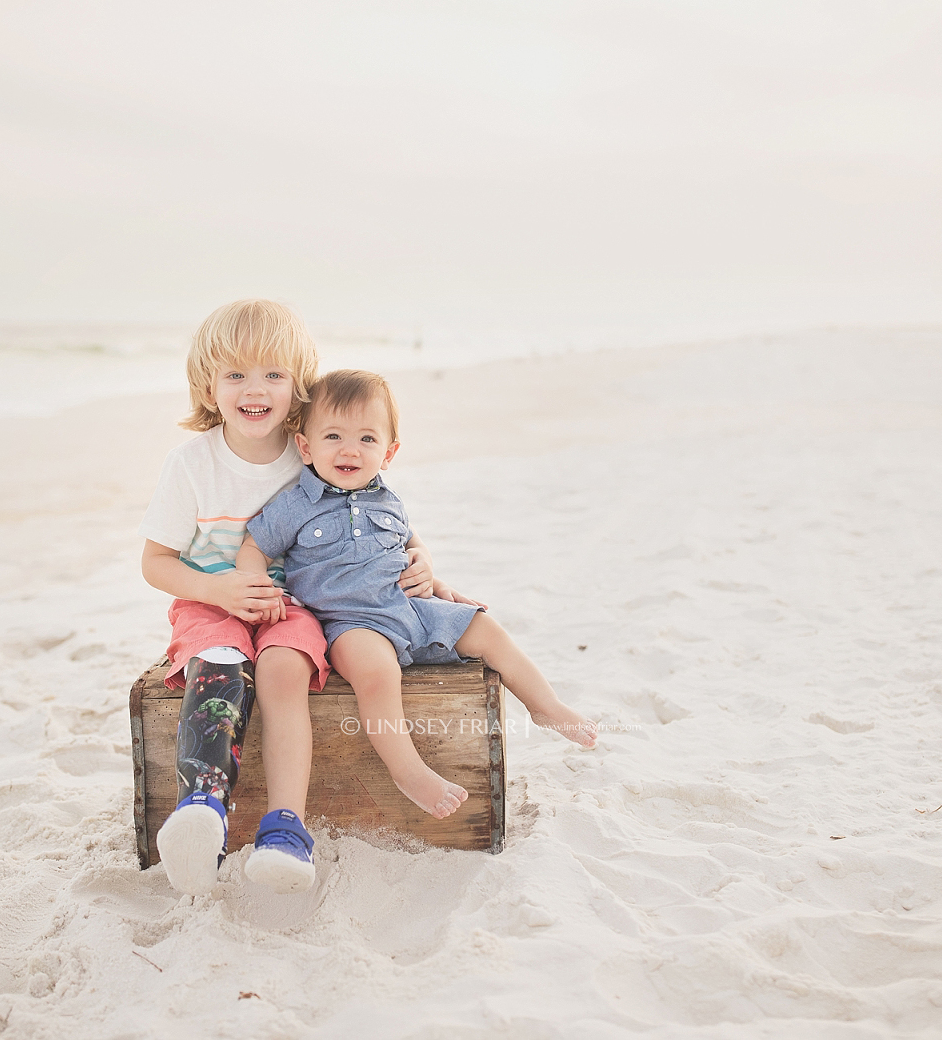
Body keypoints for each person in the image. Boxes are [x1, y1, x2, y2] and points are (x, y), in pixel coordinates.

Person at [138, 304, 442, 895]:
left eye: (274, 375)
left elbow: (380, 504)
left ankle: (285, 828)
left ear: (299, 383)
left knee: (284, 667)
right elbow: (155, 563)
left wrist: (421, 555)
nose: (256, 390)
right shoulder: (192, 465)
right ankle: (202, 807)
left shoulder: (311, 448)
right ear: (208, 385)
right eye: (235, 376)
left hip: (293, 603)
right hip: (209, 601)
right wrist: (216, 588)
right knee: (224, 662)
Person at [239, 369, 598, 822]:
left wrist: (425, 562)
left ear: (389, 453)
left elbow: (413, 543)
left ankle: (546, 706)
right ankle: (407, 771)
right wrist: (258, 585)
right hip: (351, 624)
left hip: (408, 607)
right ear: (306, 446)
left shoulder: (389, 499)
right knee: (377, 674)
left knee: (485, 627)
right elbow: (254, 547)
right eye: (333, 436)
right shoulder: (294, 505)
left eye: (367, 439)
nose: (350, 449)